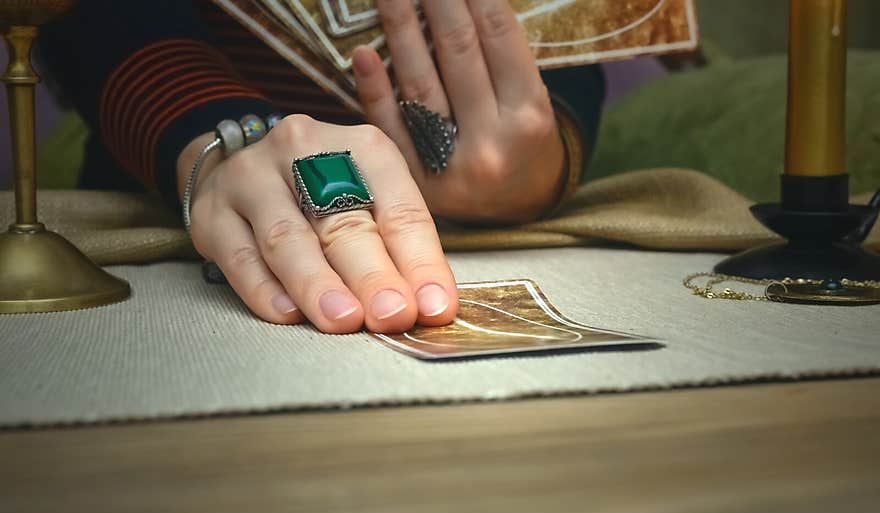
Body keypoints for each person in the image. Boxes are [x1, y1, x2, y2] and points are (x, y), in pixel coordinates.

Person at [38, 0, 604, 333]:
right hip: (162, 210)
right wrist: (209, 135)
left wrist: (547, 141)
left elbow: (583, 28)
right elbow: (95, 18)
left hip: (500, 220)